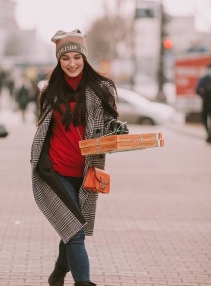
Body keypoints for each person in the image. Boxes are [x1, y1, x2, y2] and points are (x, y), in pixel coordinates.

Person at [30, 29, 128, 286]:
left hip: (87, 172)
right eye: (65, 58)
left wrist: (116, 126)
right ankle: (83, 282)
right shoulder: (49, 90)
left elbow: (108, 121)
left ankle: (58, 273)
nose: (71, 63)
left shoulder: (101, 88)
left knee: (72, 226)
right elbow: (42, 127)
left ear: (84, 58)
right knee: (76, 232)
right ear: (58, 61)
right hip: (54, 171)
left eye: (77, 57)